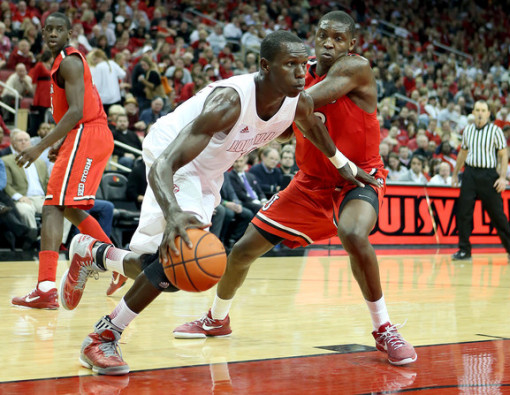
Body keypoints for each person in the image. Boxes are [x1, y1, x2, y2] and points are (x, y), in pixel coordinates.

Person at [60, 30, 376, 375]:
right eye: (291, 65)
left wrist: (344, 165)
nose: (302, 74)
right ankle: (102, 336)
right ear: (265, 66)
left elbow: (312, 127)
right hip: (172, 158)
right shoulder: (230, 102)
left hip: (209, 171)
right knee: (180, 256)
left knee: (162, 265)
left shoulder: (296, 100)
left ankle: (94, 253)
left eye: (304, 65)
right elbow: (164, 165)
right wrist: (175, 213)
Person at [172, 11, 417, 367]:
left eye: (337, 38)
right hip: (309, 185)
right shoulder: (300, 73)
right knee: (241, 251)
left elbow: (301, 105)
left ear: (352, 44)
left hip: (357, 178)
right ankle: (216, 319)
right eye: (322, 36)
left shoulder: (356, 68)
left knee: (352, 232)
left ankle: (385, 329)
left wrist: (263, 100)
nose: (328, 43)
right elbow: (285, 125)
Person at [11, 12, 116, 310]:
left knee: (52, 205)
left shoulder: (70, 61)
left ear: (70, 34)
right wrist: (61, 143)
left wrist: (39, 146)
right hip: (83, 134)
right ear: (43, 33)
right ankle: (117, 263)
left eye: (61, 29)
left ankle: (45, 288)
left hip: (87, 131)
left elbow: (76, 111)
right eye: (50, 29)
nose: (54, 33)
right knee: (65, 207)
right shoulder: (61, 61)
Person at [451, 100, 510, 264]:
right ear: (473, 113)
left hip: (488, 175)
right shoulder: (468, 130)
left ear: (489, 113)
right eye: (477, 110)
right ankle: (464, 250)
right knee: (463, 213)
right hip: (469, 174)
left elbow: (503, 155)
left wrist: (502, 177)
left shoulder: (495, 131)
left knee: (498, 216)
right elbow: (463, 153)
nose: (480, 113)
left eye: (483, 110)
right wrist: (455, 174)